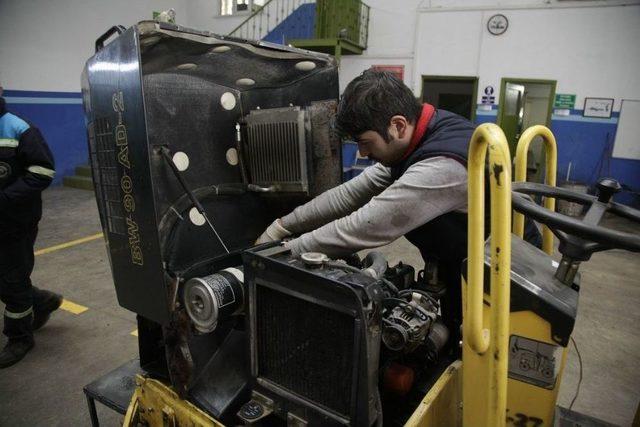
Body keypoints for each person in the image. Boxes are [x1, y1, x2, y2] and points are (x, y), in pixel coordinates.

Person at [257, 70, 540, 344]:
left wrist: (278, 256)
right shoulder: (420, 136)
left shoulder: (442, 165)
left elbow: (362, 227)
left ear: (398, 125)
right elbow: (348, 195)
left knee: (475, 354)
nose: (363, 153)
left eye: (366, 143)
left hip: (507, 284)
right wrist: (281, 226)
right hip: (468, 265)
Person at [0, 86, 62, 368]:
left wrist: (5, 198)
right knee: (9, 279)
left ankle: (20, 337)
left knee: (12, 279)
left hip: (16, 221)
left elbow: (43, 170)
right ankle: (41, 301)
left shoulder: (18, 128)